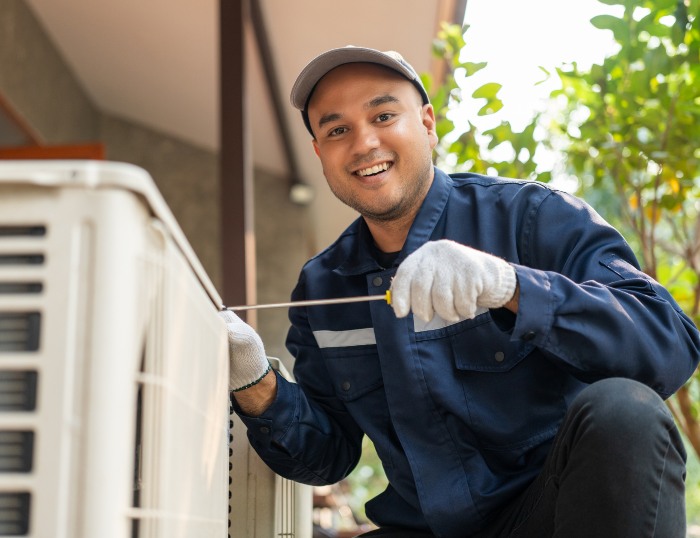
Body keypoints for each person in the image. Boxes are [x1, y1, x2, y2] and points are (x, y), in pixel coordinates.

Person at [220, 45, 700, 537]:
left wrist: (512, 286)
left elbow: (667, 345)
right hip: (423, 529)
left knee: (625, 412)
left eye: (384, 115)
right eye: (337, 129)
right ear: (320, 152)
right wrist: (255, 383)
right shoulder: (322, 289)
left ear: (427, 123)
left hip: (551, 516)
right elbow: (327, 458)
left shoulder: (531, 217)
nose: (364, 143)